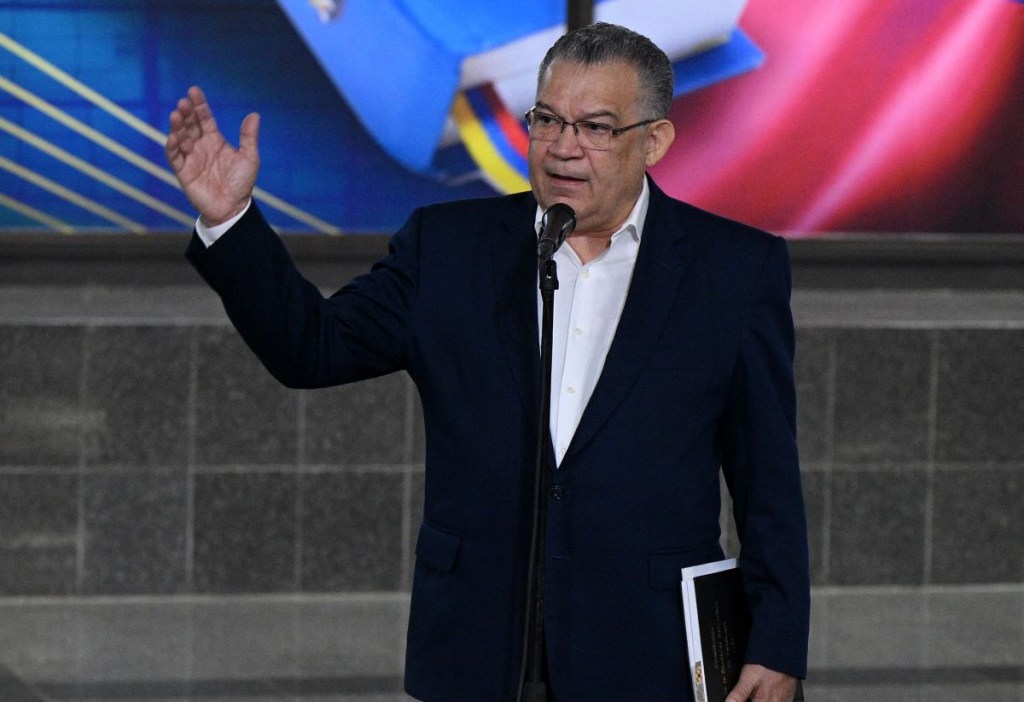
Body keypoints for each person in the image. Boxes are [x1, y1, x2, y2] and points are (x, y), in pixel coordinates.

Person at [166, 22, 809, 702]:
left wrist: (776, 640)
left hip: (647, 650)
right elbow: (311, 347)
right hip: (480, 645)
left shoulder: (734, 271)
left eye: (595, 127)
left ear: (654, 141)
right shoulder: (447, 250)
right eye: (547, 120)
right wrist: (231, 221)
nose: (563, 148)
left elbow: (767, 478)